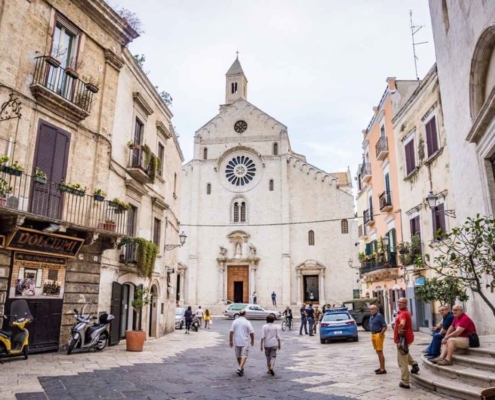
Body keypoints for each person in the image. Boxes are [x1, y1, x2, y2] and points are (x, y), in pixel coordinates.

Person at [394, 297, 419, 389]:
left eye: (402, 302)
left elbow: (402, 322)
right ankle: (414, 364)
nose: (399, 303)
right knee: (404, 352)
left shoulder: (403, 314)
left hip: (403, 339)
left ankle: (405, 382)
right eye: (398, 302)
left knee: (402, 361)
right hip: (408, 338)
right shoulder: (405, 312)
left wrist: (400, 329)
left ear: (405, 304)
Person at [229, 310, 254, 376]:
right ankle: (240, 367)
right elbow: (251, 332)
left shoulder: (235, 321)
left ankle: (241, 367)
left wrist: (230, 341)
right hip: (245, 341)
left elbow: (231, 332)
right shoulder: (247, 322)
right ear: (245, 314)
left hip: (237, 340)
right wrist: (252, 340)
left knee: (238, 355)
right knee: (244, 355)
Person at [369, 304, 387, 374]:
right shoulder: (371, 317)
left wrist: (381, 333)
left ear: (376, 309)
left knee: (380, 352)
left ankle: (383, 369)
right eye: (370, 309)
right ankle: (381, 367)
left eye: (373, 309)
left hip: (378, 334)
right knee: (377, 351)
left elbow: (384, 326)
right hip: (373, 335)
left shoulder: (379, 316)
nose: (372, 310)